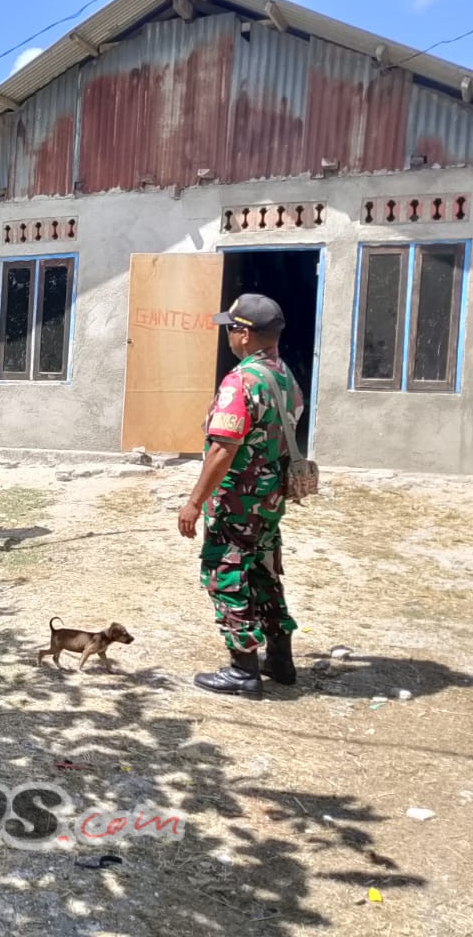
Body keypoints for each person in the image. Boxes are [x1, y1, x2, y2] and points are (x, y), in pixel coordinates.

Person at [178, 294, 305, 699]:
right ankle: (280, 660)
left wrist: (195, 501)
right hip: (269, 501)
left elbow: (222, 448)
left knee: (228, 576)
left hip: (237, 502)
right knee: (264, 574)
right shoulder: (284, 375)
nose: (228, 336)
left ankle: (243, 670)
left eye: (231, 328)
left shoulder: (241, 381)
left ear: (245, 334)